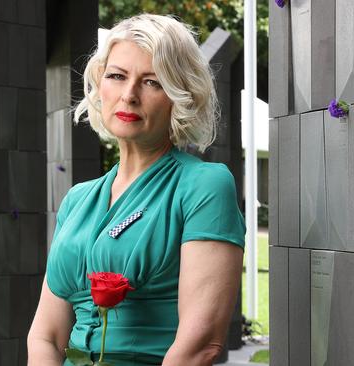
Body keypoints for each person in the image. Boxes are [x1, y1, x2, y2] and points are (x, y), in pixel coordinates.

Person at [27, 14, 246, 366]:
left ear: (180, 94)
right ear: (101, 86)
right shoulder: (77, 200)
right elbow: (45, 335)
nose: (129, 95)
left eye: (152, 82)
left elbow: (201, 344)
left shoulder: (204, 185)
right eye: (117, 76)